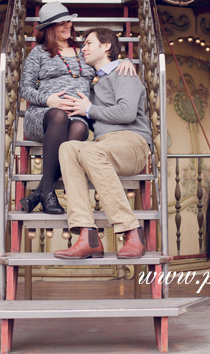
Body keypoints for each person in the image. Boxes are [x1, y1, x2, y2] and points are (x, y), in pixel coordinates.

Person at [19, 3, 136, 214]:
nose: (68, 25)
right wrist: (48, 100)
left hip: (76, 115)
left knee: (80, 129)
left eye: (69, 21)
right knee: (59, 116)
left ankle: (39, 192)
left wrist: (125, 60)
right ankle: (47, 193)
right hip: (44, 115)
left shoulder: (83, 51)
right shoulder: (38, 53)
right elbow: (24, 88)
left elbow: (105, 58)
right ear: (49, 27)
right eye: (61, 22)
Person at [53, 28, 150, 259]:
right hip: (104, 145)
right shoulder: (97, 82)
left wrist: (89, 109)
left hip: (132, 143)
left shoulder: (123, 72)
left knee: (91, 153)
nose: (83, 48)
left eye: (89, 43)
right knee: (68, 148)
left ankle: (131, 230)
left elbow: (127, 113)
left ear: (106, 46)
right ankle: (88, 235)